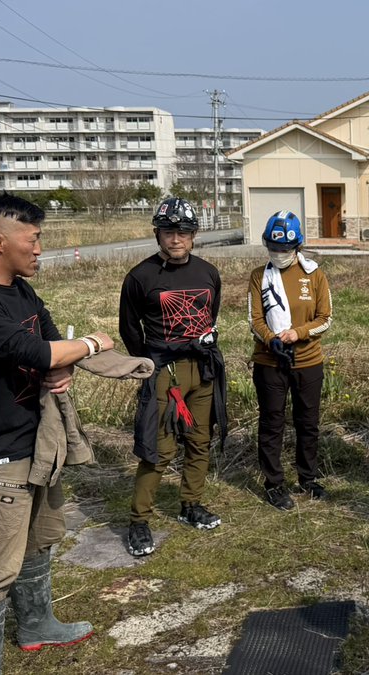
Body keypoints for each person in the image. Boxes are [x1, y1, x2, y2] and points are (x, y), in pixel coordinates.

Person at [0, 193, 110, 673]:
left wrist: (67, 367)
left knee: (42, 539)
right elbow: (38, 352)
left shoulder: (22, 291)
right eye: (32, 239)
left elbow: (50, 343)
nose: (39, 249)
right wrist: (92, 343)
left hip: (40, 442)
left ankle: (37, 625)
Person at [119, 197, 227, 557]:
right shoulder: (140, 277)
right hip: (163, 369)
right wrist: (147, 362)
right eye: (168, 232)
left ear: (194, 235)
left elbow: (211, 313)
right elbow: (128, 327)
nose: (176, 238)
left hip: (203, 366)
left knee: (199, 440)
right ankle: (139, 519)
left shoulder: (209, 273)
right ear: (157, 234)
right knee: (158, 448)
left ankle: (190, 504)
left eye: (183, 232)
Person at [248, 211, 333, 510]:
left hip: (308, 361)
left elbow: (325, 319)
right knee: (272, 423)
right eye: (273, 248)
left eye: (285, 249)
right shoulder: (260, 276)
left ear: (297, 246)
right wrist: (271, 338)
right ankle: (274, 483)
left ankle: (307, 477)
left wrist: (298, 333)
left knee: (307, 422)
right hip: (269, 362)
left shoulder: (315, 275)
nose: (279, 254)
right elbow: (254, 319)